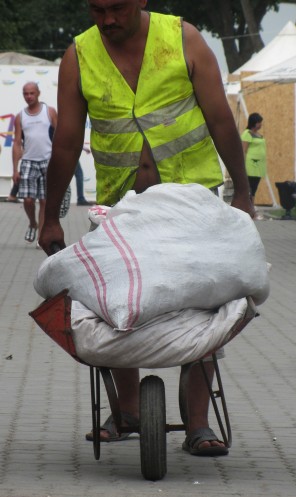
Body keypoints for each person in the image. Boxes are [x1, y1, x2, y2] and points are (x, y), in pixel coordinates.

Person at [39, 0, 255, 456]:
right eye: (97, 11)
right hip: (122, 206)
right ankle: (129, 412)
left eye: (116, 9)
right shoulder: (79, 55)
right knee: (120, 303)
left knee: (205, 302)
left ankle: (198, 423)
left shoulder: (183, 39)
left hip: (193, 200)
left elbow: (220, 119)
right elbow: (67, 141)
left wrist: (242, 193)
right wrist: (50, 215)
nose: (107, 21)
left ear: (140, 1)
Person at [12, 81, 57, 246]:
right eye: (25, 93)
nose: (29, 96)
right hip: (28, 161)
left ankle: (42, 236)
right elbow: (17, 143)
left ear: (38, 93)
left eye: (31, 93)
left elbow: (59, 135)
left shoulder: (49, 111)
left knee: (44, 200)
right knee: (28, 200)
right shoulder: (20, 116)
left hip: (47, 160)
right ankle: (32, 223)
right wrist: (15, 169)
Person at [241, 113, 267, 207]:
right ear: (254, 122)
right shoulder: (247, 134)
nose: (260, 125)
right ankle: (249, 207)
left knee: (254, 188)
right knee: (250, 187)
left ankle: (251, 207)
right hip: (251, 164)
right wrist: (242, 166)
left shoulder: (258, 135)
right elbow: (244, 150)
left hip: (259, 165)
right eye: (259, 122)